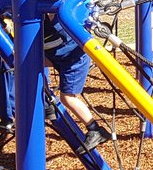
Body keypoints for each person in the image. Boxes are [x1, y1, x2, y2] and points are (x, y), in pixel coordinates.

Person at [42, 15, 110, 153]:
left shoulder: (57, 16)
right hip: (58, 56)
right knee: (32, 64)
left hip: (74, 61)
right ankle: (46, 98)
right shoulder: (39, 19)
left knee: (67, 98)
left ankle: (95, 129)